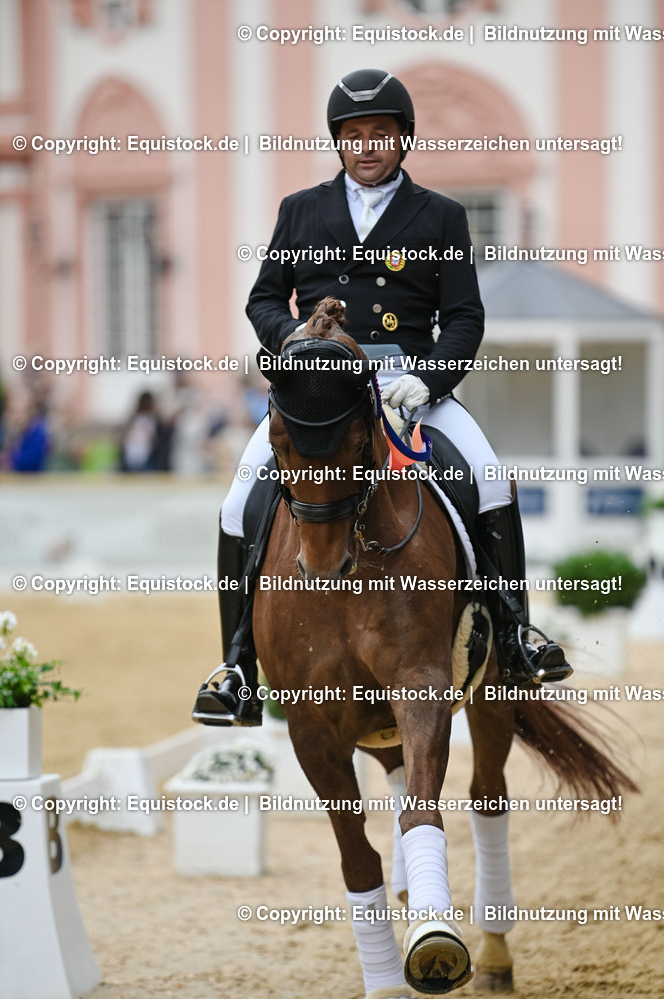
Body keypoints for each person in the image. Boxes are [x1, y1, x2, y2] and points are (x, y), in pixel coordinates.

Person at [192, 68, 572, 727]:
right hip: (318, 389)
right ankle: (237, 667)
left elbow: (464, 317)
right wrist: (297, 341)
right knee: (235, 503)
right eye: (354, 134)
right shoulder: (300, 209)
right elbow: (264, 299)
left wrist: (430, 378)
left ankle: (515, 636)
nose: (366, 146)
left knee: (489, 479)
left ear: (403, 138)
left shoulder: (441, 215)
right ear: (338, 141)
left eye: (380, 133)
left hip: (408, 386)